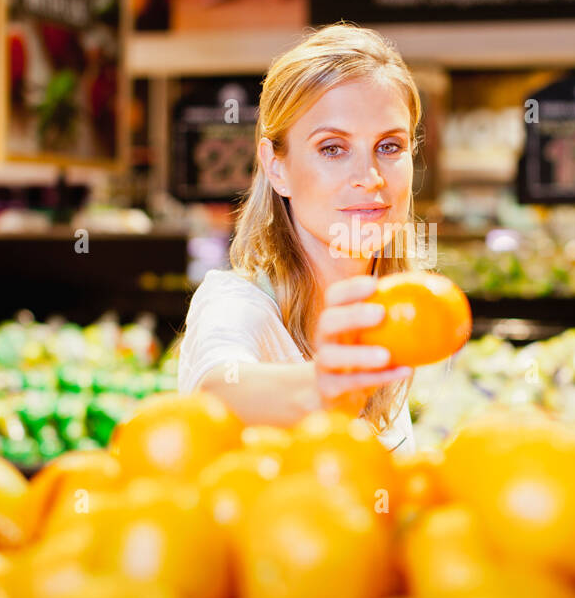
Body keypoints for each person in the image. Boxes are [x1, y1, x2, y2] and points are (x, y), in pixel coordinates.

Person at [176, 22, 427, 456]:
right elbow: (217, 390)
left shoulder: (390, 311)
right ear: (277, 168)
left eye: (389, 146)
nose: (369, 178)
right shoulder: (238, 302)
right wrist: (323, 387)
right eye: (332, 148)